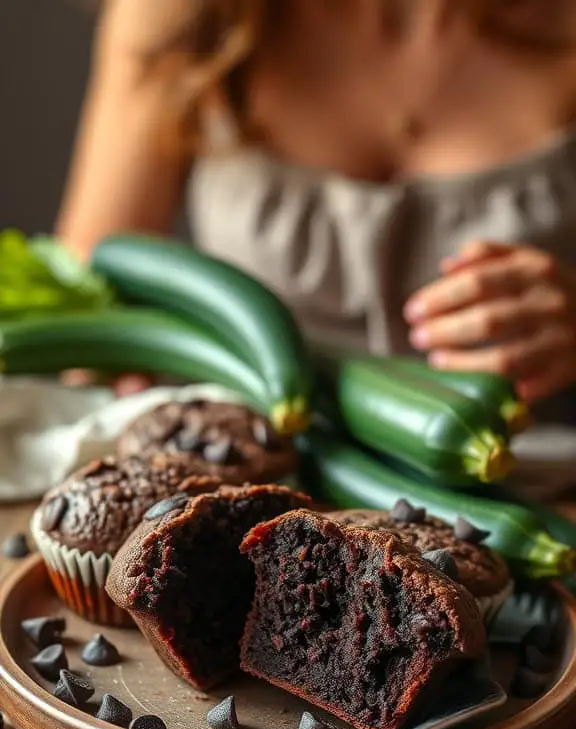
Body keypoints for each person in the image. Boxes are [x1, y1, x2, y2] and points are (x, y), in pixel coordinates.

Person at [57, 0, 576, 417]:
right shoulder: (177, 13)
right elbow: (88, 291)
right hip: (258, 482)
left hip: (544, 489)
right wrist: (113, 379)